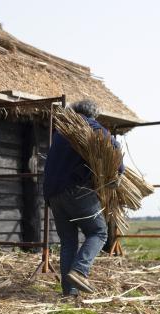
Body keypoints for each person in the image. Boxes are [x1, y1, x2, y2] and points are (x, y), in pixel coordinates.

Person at [43, 99, 124, 297]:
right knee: (98, 232)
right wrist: (118, 174)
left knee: (69, 242)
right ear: (93, 114)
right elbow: (114, 148)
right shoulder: (92, 126)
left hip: (53, 195)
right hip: (76, 190)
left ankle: (69, 293)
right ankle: (80, 270)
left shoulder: (61, 132)